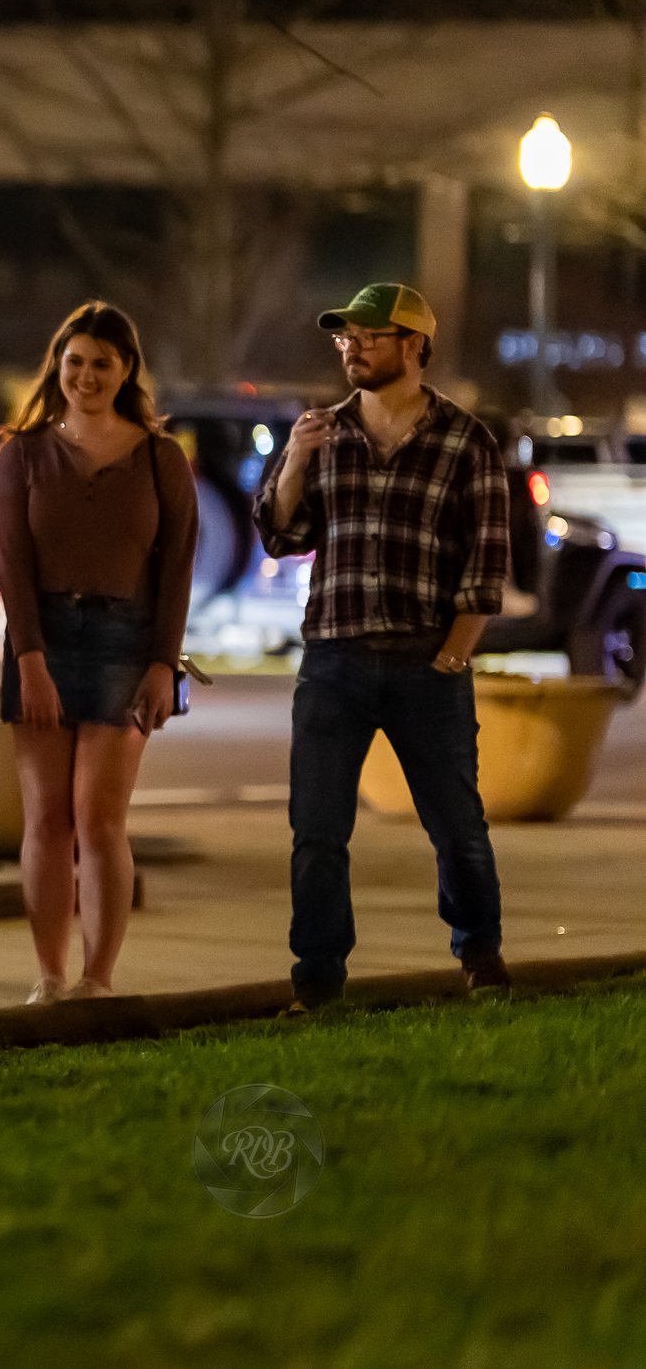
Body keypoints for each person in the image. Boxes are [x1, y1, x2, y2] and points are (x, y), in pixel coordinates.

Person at [255, 283, 510, 1011]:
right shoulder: (319, 431)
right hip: (333, 657)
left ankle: (481, 954)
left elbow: (485, 565)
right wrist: (297, 462)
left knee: (456, 822)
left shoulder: (466, 440)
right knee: (318, 828)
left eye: (370, 334)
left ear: (415, 345)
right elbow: (280, 532)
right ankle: (317, 977)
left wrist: (452, 657)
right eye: (345, 337)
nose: (352, 347)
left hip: (424, 658)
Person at [0, 303, 198, 1003]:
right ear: (58, 365)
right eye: (74, 361)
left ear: (127, 370)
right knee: (47, 815)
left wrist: (163, 662)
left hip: (126, 639)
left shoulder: (160, 456)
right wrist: (29, 657)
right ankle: (49, 975)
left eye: (102, 363)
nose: (85, 375)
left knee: (99, 814)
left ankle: (97, 978)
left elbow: (177, 567)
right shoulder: (21, 452)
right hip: (41, 637)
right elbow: (9, 564)